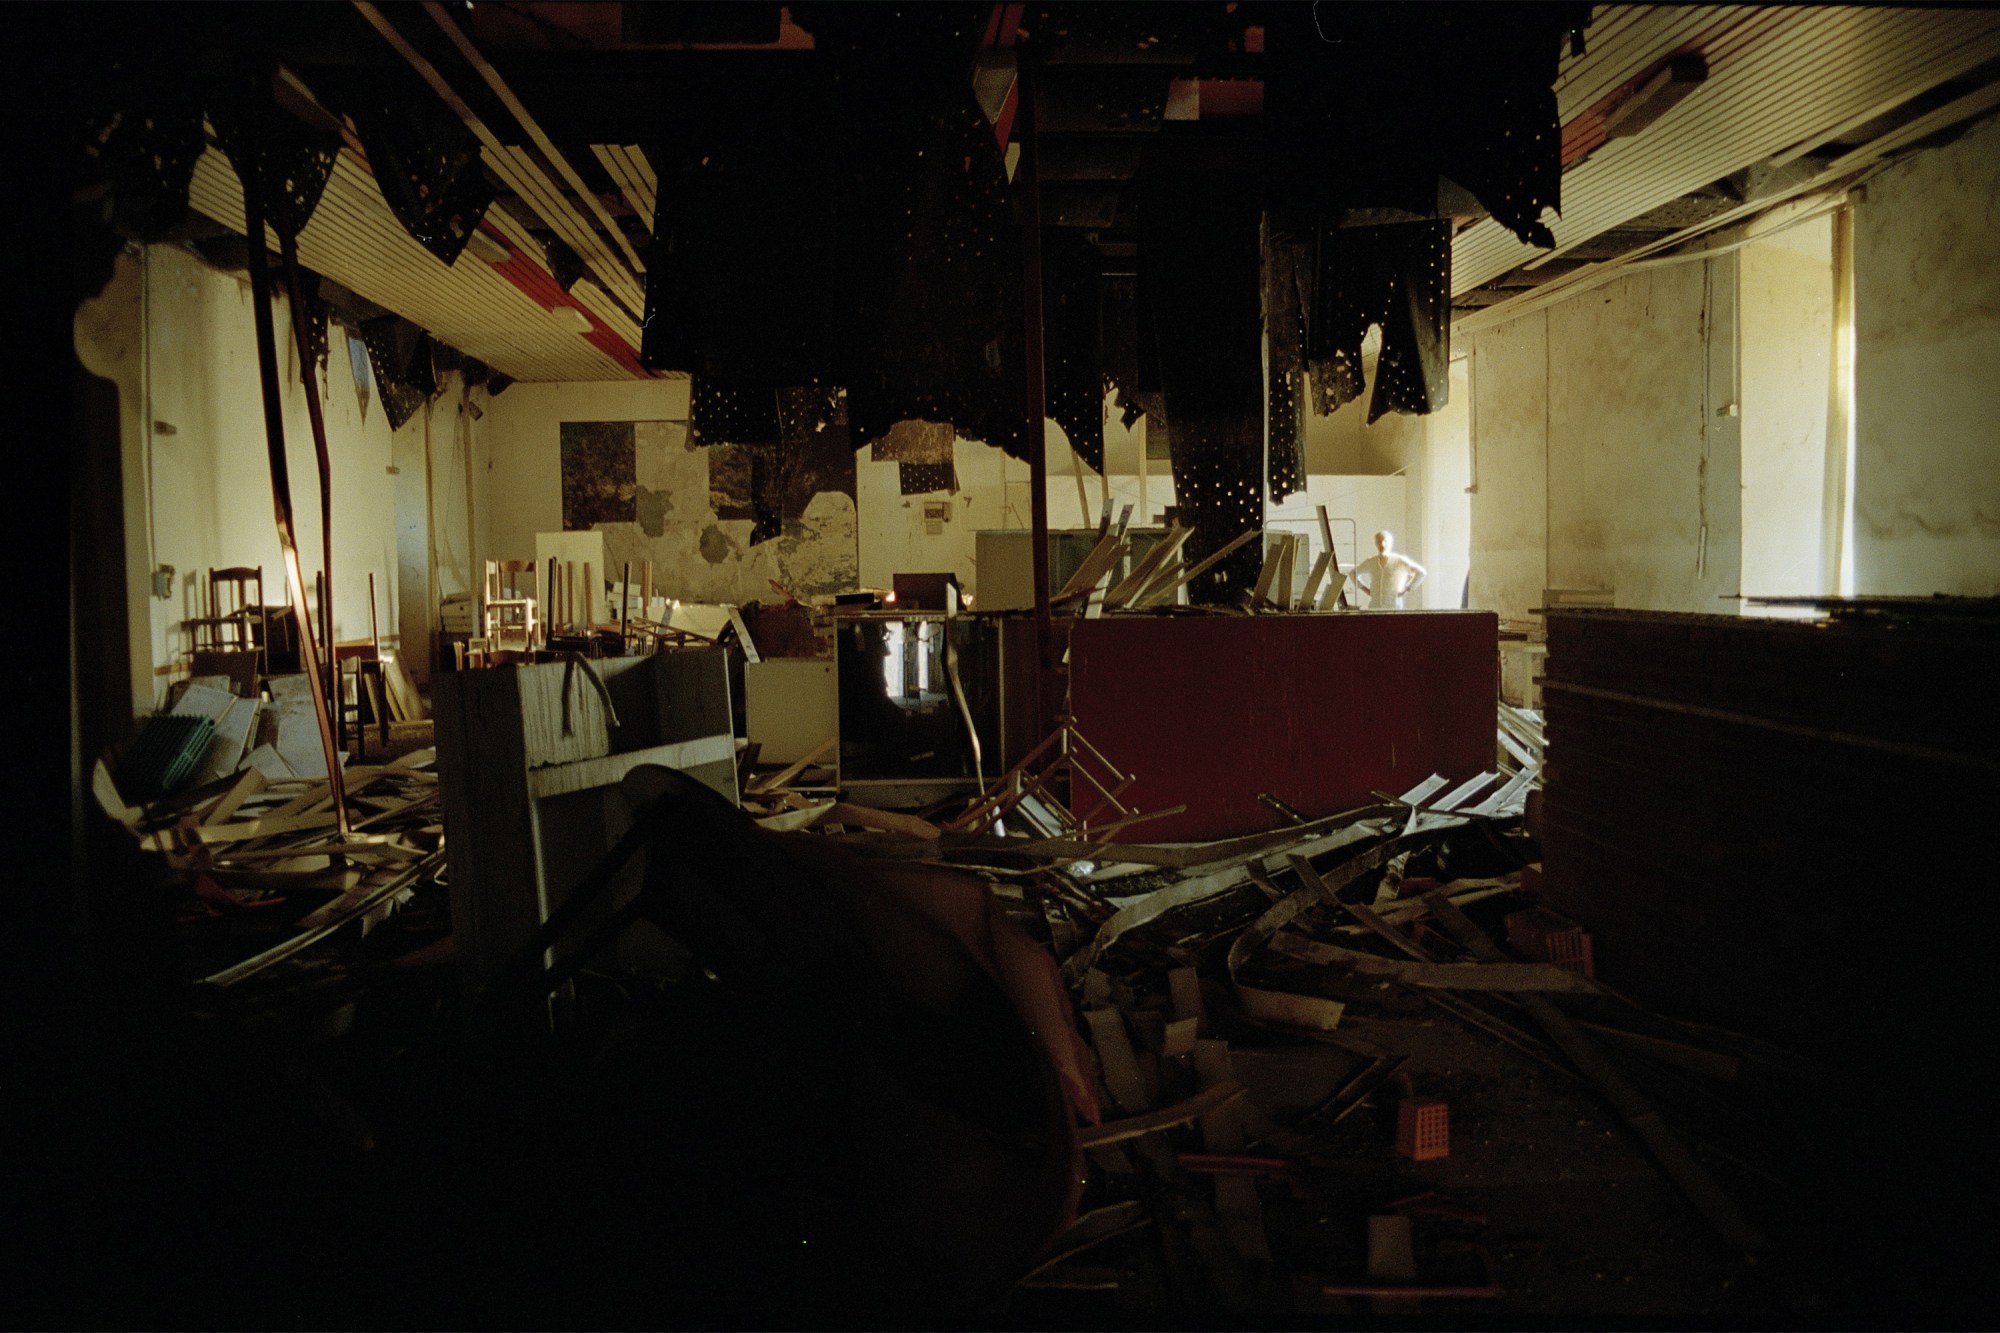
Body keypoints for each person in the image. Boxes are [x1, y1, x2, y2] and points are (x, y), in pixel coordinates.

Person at [1350, 530, 1428, 609]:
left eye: (1384, 541)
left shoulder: (1399, 561)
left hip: (1394, 608)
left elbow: (1421, 573)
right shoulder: (1371, 562)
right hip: (1374, 608)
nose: (1382, 545)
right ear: (1375, 544)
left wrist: (1406, 588)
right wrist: (1365, 589)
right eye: (1378, 542)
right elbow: (1352, 573)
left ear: (1390, 543)